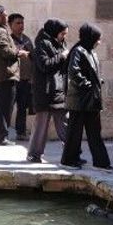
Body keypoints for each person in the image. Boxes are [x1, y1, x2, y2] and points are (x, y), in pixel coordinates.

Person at [60, 23, 113, 172]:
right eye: (97, 38)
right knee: (74, 133)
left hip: (91, 100)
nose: (99, 42)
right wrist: (88, 84)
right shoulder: (78, 51)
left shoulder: (90, 51)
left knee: (95, 132)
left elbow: (90, 72)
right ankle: (68, 160)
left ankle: (101, 162)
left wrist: (97, 81)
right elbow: (74, 72)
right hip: (79, 100)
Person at [0, 5, 29, 146]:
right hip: (5, 74)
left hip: (2, 74)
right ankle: (1, 136)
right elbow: (5, 51)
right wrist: (19, 52)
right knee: (4, 108)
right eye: (5, 14)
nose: (7, 17)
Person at [27, 19, 70, 163]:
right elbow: (45, 65)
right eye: (62, 33)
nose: (64, 37)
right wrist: (62, 56)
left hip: (59, 91)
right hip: (45, 91)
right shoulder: (42, 44)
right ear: (54, 31)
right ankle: (34, 154)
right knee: (41, 126)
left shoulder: (60, 44)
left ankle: (72, 153)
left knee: (65, 124)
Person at [9, 13, 35, 141]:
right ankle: (2, 132)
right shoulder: (8, 40)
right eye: (18, 23)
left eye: (22, 23)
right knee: (8, 107)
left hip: (25, 79)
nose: (21, 26)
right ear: (10, 25)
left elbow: (33, 57)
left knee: (22, 107)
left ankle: (21, 132)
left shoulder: (27, 40)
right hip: (12, 79)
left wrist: (32, 77)